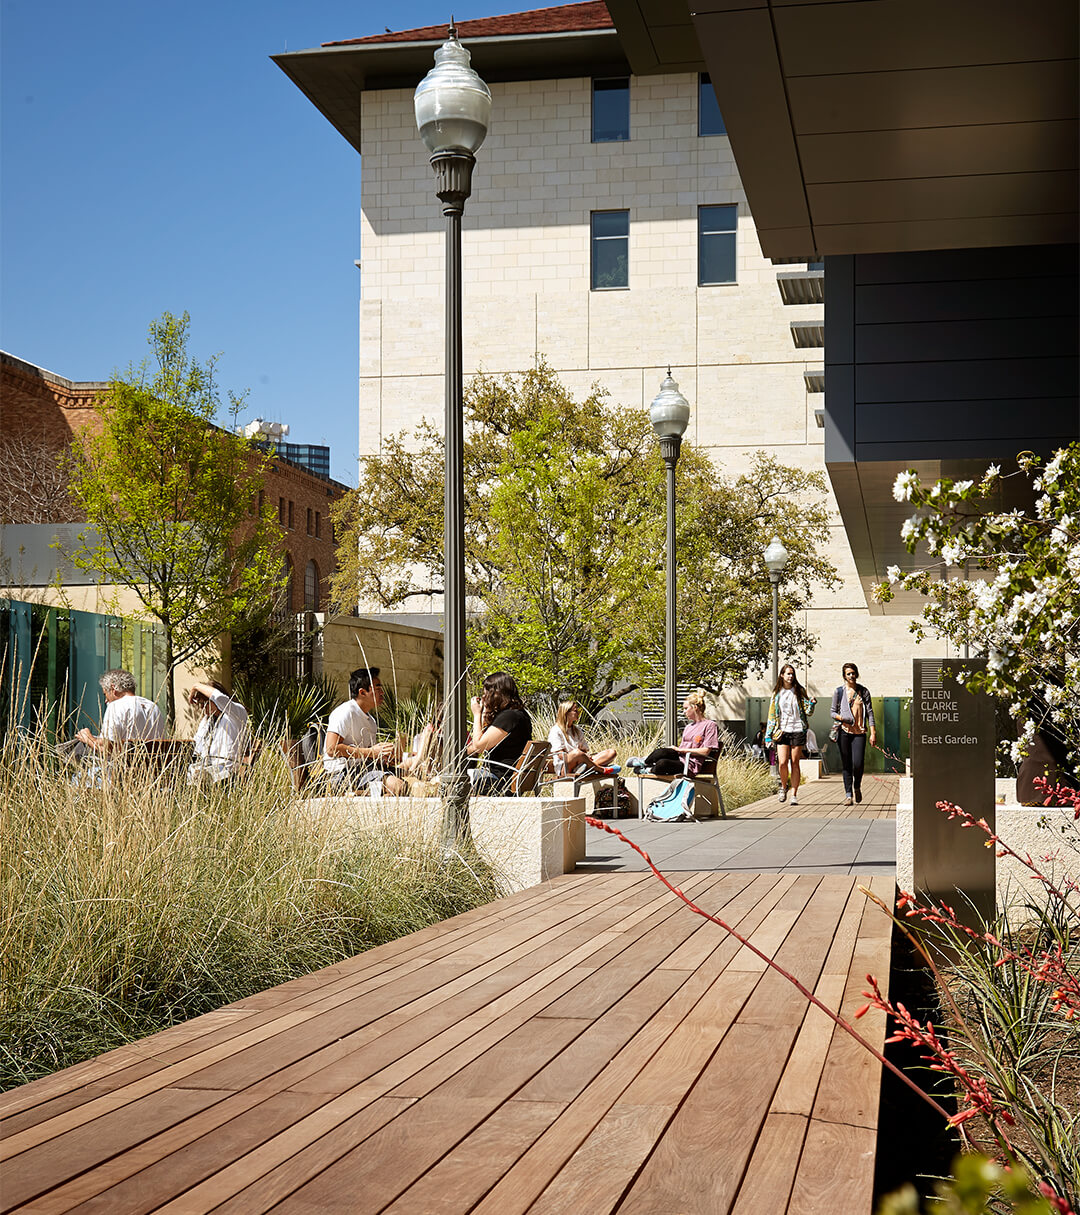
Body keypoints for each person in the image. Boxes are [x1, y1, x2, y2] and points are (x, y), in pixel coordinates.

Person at [323, 667, 406, 795]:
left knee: (411, 776)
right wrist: (372, 752)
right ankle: (354, 792)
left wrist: (384, 757)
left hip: (365, 769)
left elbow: (369, 756)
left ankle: (362, 792)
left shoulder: (371, 721)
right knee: (397, 786)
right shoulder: (345, 712)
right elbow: (331, 749)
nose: (382, 693)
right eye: (378, 689)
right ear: (362, 692)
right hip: (343, 773)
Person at [76, 668, 166, 771]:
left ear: (113, 689)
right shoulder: (153, 707)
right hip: (149, 772)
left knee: (74, 775)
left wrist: (87, 739)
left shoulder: (116, 706)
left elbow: (106, 751)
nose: (106, 701)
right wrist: (94, 739)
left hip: (119, 774)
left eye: (105, 694)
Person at [467, 671, 532, 795]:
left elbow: (479, 746)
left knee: (453, 779)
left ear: (496, 693)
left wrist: (476, 714)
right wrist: (485, 713)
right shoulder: (519, 714)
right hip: (509, 778)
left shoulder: (509, 717)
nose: (484, 697)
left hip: (500, 781)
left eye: (486, 693)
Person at [764, 664, 816, 805]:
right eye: (788, 673)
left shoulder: (799, 691)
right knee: (782, 762)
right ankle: (783, 787)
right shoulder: (777, 693)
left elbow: (808, 711)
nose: (790, 676)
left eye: (792, 674)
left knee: (795, 762)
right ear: (782, 675)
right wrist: (768, 735)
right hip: (782, 731)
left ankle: (794, 794)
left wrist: (811, 704)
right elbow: (771, 715)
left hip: (798, 729)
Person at [635, 692, 720, 776]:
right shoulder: (688, 727)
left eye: (686, 708)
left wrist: (681, 750)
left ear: (695, 707)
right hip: (679, 758)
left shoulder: (710, 725)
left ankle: (648, 770)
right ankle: (643, 762)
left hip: (689, 765)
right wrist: (675, 750)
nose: (684, 712)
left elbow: (705, 751)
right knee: (661, 752)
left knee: (662, 763)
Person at [187, 680, 250, 785]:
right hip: (207, 772)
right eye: (200, 703)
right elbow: (196, 747)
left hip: (226, 775)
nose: (202, 707)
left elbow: (219, 698)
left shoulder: (235, 713)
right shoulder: (207, 721)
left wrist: (196, 686)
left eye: (205, 702)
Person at [830, 661, 876, 806]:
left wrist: (873, 732)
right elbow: (832, 712)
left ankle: (857, 786)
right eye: (848, 673)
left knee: (858, 763)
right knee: (846, 764)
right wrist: (842, 718)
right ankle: (848, 795)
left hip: (859, 732)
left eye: (853, 673)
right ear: (844, 676)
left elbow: (870, 712)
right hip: (844, 732)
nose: (852, 676)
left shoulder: (863, 691)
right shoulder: (839, 692)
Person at [547, 698, 617, 778]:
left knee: (611, 752)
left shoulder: (577, 730)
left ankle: (585, 769)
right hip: (565, 767)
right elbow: (560, 755)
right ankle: (600, 769)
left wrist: (584, 756)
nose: (578, 713)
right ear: (566, 713)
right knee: (576, 753)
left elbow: (584, 750)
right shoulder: (556, 730)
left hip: (581, 762)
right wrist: (579, 755)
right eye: (575, 711)